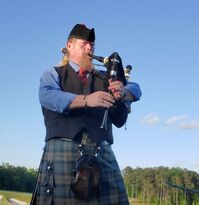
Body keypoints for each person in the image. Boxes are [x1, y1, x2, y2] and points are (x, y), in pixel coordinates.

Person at [31, 24, 142, 205]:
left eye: (92, 45)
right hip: (63, 154)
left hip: (102, 156)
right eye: (84, 44)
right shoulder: (53, 74)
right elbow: (47, 95)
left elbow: (136, 88)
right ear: (69, 46)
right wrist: (86, 100)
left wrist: (123, 93)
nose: (90, 47)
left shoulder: (104, 78)